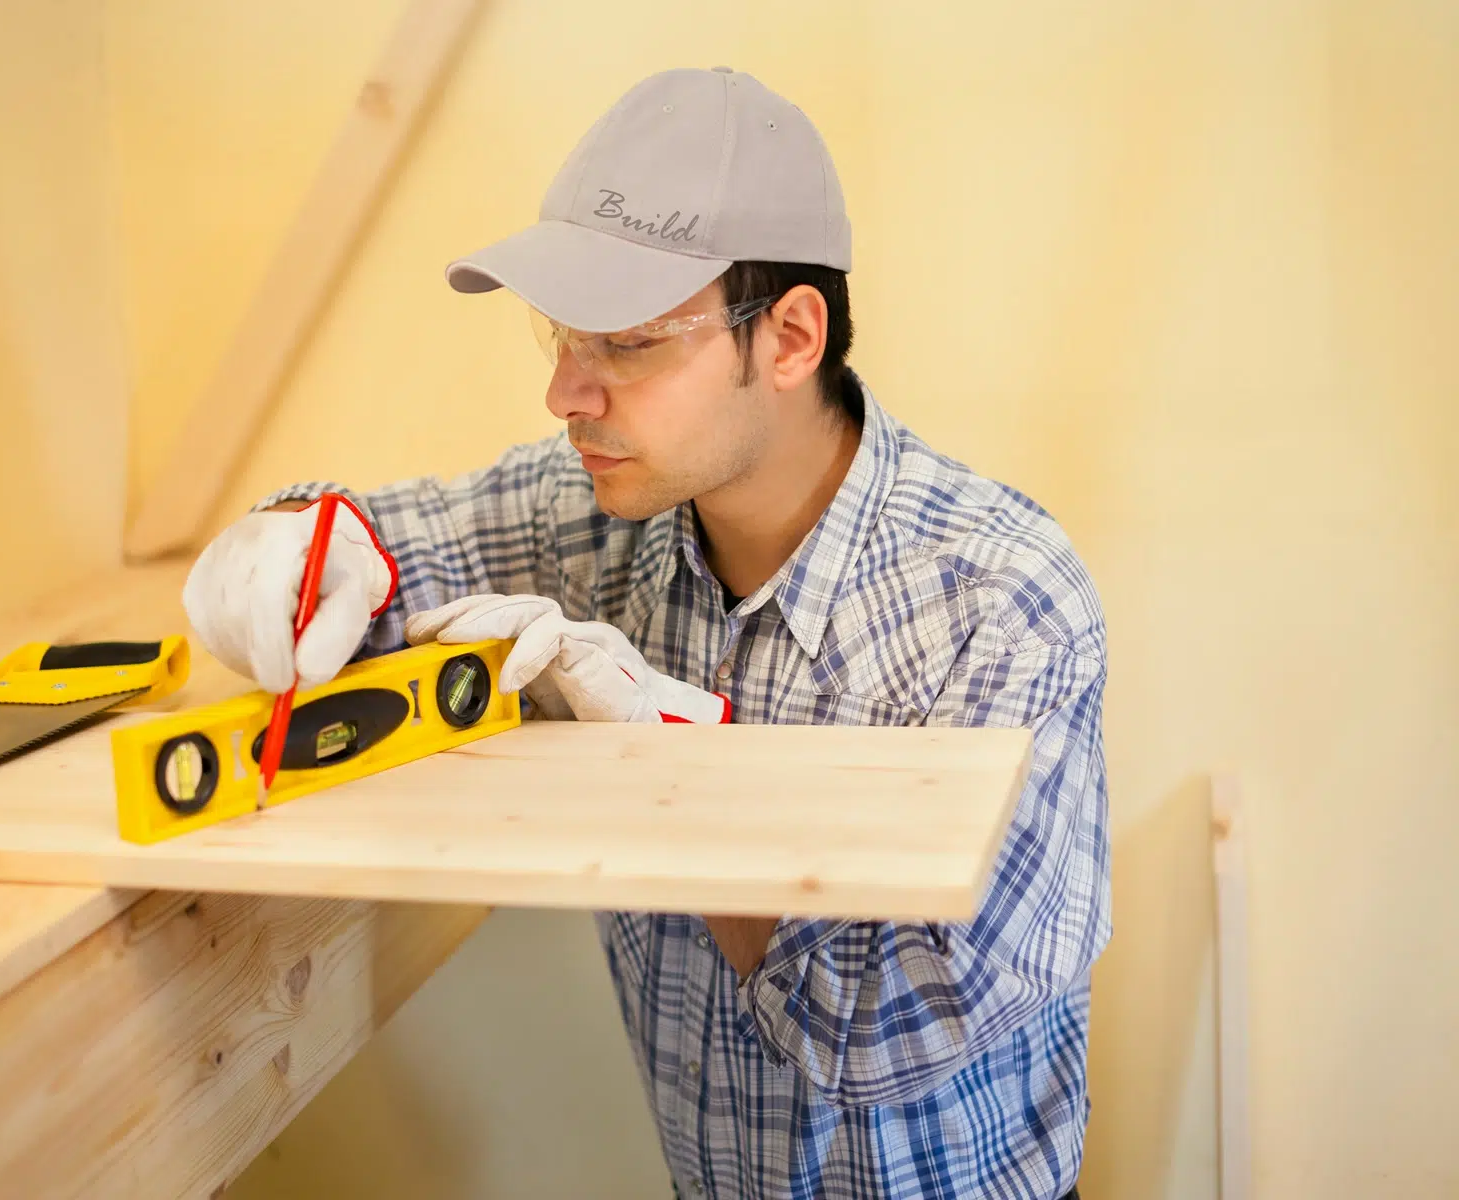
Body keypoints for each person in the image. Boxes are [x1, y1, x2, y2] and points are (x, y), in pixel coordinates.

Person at [183, 66, 1107, 1200]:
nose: (568, 394)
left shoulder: (999, 602)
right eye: (560, 337)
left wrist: (676, 779)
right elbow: (377, 548)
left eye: (625, 342)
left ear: (789, 337)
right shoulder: (592, 516)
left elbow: (882, 1030)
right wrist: (288, 545)